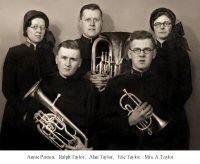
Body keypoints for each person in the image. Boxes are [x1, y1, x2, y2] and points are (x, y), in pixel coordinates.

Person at [98, 31, 175, 150]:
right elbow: (103, 125)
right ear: (129, 54)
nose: (141, 54)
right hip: (123, 149)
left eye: (147, 50)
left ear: (154, 53)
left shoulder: (165, 84)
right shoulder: (115, 84)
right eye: (137, 50)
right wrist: (129, 121)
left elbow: (173, 126)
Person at [24, 40, 98, 150]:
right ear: (56, 59)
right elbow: (30, 120)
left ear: (80, 63)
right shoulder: (44, 83)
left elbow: (95, 126)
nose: (67, 64)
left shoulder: (89, 89)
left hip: (76, 150)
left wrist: (87, 149)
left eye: (73, 59)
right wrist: (35, 120)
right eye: (64, 58)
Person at [0, 10, 57, 150]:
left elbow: (53, 84)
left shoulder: (49, 54)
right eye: (35, 27)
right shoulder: (14, 52)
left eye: (42, 28)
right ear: (26, 29)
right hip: (18, 115)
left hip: (43, 115)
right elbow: (7, 88)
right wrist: (24, 111)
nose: (39, 31)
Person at [149, 7, 192, 149]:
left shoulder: (181, 53)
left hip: (175, 116)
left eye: (166, 23)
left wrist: (169, 109)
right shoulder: (146, 51)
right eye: (157, 24)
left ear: (172, 26)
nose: (161, 27)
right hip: (150, 115)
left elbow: (187, 88)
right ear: (152, 27)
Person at [76, 3, 110, 92]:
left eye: (96, 20)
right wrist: (85, 76)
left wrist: (110, 79)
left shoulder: (110, 46)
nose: (92, 24)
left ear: (102, 23)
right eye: (87, 20)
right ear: (80, 23)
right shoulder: (71, 46)